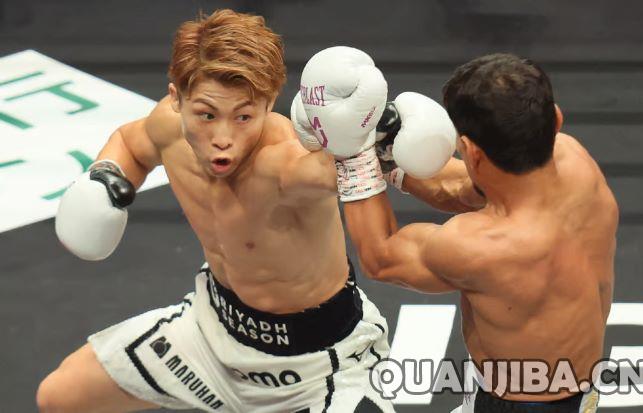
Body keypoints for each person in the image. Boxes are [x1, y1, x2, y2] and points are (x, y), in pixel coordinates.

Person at [36, 10, 396, 413]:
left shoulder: (284, 158)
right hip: (213, 336)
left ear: (268, 104)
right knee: (60, 396)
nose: (223, 137)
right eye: (206, 115)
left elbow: (331, 170)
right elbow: (130, 142)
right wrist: (106, 174)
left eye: (243, 116)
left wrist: (380, 141)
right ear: (177, 99)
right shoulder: (168, 126)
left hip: (317, 368)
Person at [298, 52, 618, 412]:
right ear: (555, 119)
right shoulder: (574, 161)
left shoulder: (479, 246)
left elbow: (381, 258)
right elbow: (468, 189)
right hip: (568, 390)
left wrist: (353, 157)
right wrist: (387, 154)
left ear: (471, 151)